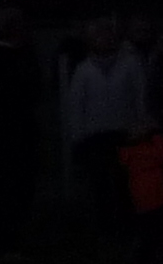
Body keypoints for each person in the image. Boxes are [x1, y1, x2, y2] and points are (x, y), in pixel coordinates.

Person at [58, 28, 152, 244]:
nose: (104, 41)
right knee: (99, 183)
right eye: (99, 37)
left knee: (125, 182)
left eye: (108, 37)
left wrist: (141, 125)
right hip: (95, 135)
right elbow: (76, 105)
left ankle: (127, 225)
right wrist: (78, 136)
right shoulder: (84, 69)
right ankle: (105, 226)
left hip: (125, 132)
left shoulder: (130, 64)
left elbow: (140, 95)